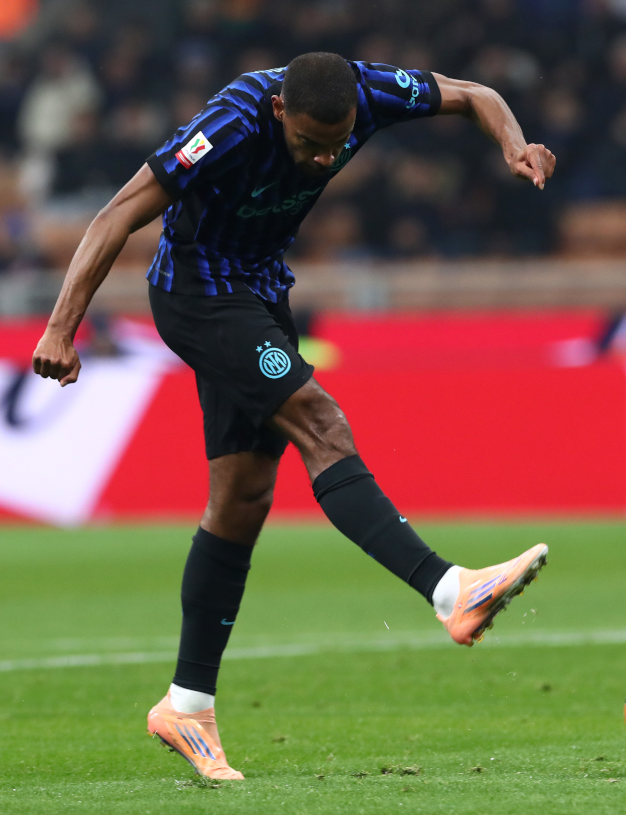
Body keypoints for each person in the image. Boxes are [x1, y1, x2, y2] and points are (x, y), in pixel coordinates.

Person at [32, 52, 555, 780]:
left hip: (262, 292)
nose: (323, 157)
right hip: (197, 294)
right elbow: (118, 212)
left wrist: (512, 142)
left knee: (242, 499)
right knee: (321, 421)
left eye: (336, 143)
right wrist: (62, 326)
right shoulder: (229, 123)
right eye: (310, 143)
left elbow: (474, 92)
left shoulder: (367, 93)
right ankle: (450, 589)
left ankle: (186, 705)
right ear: (280, 111)